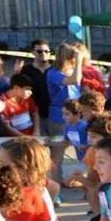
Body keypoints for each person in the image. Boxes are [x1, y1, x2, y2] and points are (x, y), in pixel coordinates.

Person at [46, 44, 83, 184]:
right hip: (58, 117)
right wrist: (79, 62)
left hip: (75, 115)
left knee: (81, 149)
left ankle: (78, 179)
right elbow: (73, 80)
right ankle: (56, 184)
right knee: (58, 154)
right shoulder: (53, 73)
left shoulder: (73, 71)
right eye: (74, 57)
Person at [19, 39, 52, 135]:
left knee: (56, 145)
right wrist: (17, 73)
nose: (43, 54)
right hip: (35, 115)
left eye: (46, 51)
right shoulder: (25, 70)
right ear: (33, 52)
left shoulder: (55, 69)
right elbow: (18, 90)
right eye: (39, 51)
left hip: (54, 115)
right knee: (38, 147)